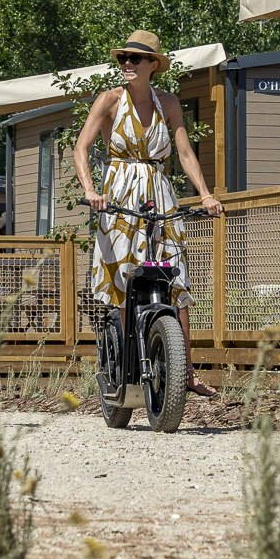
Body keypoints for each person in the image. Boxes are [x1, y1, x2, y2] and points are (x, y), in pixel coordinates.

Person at [74, 30, 224, 399]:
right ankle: (127, 366)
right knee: (125, 277)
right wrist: (91, 191)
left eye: (135, 58)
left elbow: (185, 153)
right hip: (119, 193)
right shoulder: (109, 100)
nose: (127, 63)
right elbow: (81, 147)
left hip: (160, 192)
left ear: (152, 65)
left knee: (176, 278)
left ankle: (186, 371)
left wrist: (206, 194)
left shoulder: (168, 102)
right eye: (123, 58)